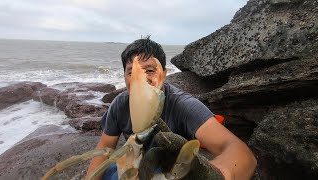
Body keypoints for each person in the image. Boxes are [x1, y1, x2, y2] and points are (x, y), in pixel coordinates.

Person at [87, 37, 257, 180]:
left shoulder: (183, 105)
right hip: (136, 162)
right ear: (124, 77)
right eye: (131, 72)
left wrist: (218, 173)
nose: (141, 79)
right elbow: (105, 147)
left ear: (164, 74)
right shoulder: (120, 104)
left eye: (150, 70)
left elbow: (239, 151)